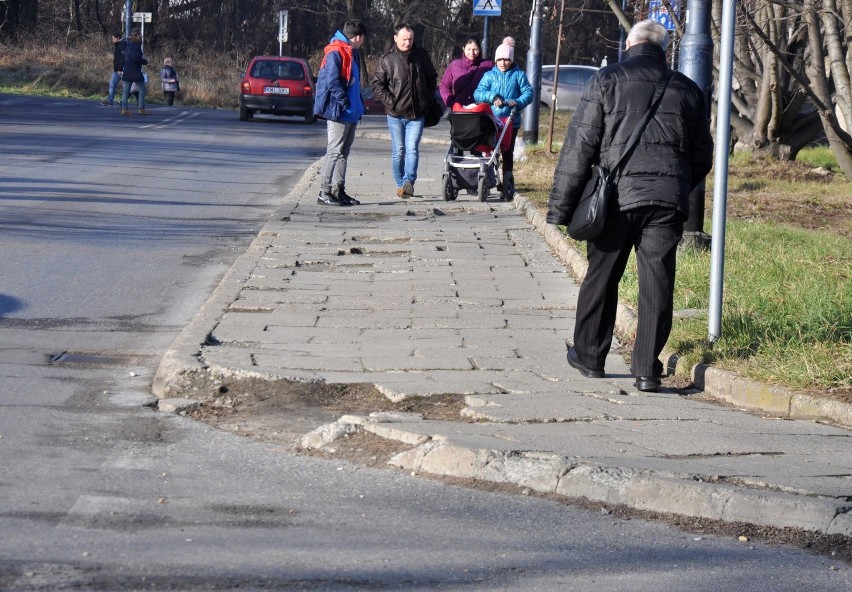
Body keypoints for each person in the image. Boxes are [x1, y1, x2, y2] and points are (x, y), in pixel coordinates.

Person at [546, 20, 714, 392]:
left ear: (631, 44)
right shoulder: (687, 89)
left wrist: (561, 207)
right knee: (658, 281)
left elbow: (580, 147)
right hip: (666, 200)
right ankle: (646, 370)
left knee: (602, 274)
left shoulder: (607, 80)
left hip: (617, 198)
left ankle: (590, 357)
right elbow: (703, 155)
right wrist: (678, 182)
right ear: (663, 49)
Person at [371, 23, 438, 199]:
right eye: (404, 39)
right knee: (399, 150)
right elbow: (377, 85)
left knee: (412, 148)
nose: (408, 42)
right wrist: (391, 102)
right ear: (395, 38)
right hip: (395, 114)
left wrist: (427, 97)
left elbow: (432, 78)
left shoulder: (421, 56)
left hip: (417, 113)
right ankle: (401, 184)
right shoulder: (387, 59)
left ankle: (409, 182)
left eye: (410, 39)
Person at [313, 18, 368, 206]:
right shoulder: (336, 52)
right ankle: (324, 191)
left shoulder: (353, 53)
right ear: (358, 37)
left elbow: (354, 82)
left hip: (351, 112)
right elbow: (332, 82)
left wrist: (358, 105)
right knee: (334, 151)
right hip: (339, 111)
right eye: (363, 39)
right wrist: (345, 103)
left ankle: (339, 189)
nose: (363, 42)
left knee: (344, 152)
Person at [473, 42, 533, 199]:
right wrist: (492, 97)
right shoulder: (489, 75)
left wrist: (517, 101)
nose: (503, 63)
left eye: (506, 59)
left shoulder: (518, 75)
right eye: (500, 59)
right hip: (492, 120)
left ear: (511, 59)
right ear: (496, 60)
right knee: (490, 150)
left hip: (511, 120)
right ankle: (490, 177)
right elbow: (479, 93)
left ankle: (506, 179)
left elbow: (528, 93)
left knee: (507, 152)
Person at [439, 36, 492, 109]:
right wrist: (449, 100)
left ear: (480, 49)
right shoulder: (454, 65)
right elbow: (444, 85)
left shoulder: (488, 65)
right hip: (458, 109)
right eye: (469, 49)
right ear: (463, 49)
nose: (472, 52)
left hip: (480, 109)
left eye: (475, 49)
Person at [120, 30, 149, 116]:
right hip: (135, 71)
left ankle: (124, 109)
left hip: (127, 71)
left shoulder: (128, 45)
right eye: (140, 36)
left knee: (126, 91)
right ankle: (141, 108)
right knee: (142, 89)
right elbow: (136, 58)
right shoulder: (136, 46)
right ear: (136, 36)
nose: (141, 37)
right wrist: (145, 61)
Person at [101, 32, 125, 106]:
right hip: (116, 70)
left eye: (113, 38)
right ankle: (110, 101)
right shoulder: (118, 45)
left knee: (126, 86)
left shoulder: (123, 44)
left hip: (122, 70)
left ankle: (124, 101)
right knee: (112, 84)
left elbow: (123, 58)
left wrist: (120, 68)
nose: (112, 40)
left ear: (118, 38)